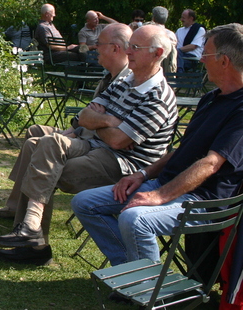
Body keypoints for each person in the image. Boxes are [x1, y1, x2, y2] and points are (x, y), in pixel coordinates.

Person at [0, 25, 177, 264]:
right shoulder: (125, 80)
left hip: (124, 166)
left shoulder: (158, 96)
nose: (128, 51)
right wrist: (110, 121)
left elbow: (119, 141)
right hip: (97, 146)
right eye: (129, 46)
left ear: (157, 53)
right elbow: (84, 117)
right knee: (47, 142)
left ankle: (33, 246)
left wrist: (102, 125)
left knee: (46, 169)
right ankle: (30, 228)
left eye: (135, 47)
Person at [71, 23, 243, 270]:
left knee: (135, 219)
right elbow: (183, 151)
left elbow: (211, 164)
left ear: (224, 61)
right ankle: (130, 272)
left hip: (202, 199)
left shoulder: (240, 108)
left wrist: (159, 195)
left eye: (205, 54)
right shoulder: (210, 98)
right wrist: (142, 175)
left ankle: (150, 292)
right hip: (167, 184)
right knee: (84, 203)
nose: (201, 61)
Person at [147, 6, 177, 72]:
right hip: (169, 72)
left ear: (153, 18)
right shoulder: (171, 35)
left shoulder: (148, 33)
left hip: (150, 70)